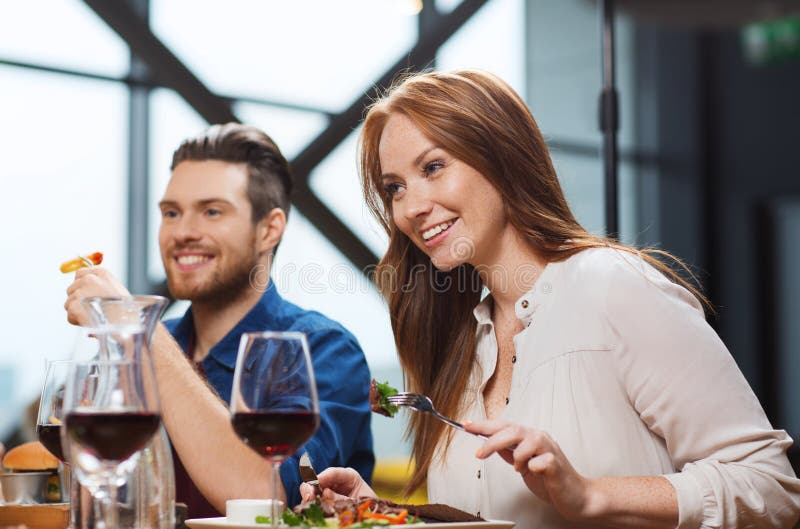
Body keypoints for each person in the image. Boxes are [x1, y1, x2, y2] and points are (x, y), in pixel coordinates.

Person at [300, 70, 800, 528]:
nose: (411, 207)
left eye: (433, 166)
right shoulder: (462, 343)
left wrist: (588, 494)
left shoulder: (613, 286)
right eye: (395, 188)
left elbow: (771, 490)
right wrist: (378, 513)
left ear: (500, 155)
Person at [64, 123, 374, 516]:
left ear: (269, 229)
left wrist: (137, 326)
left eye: (212, 211)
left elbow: (268, 502)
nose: (183, 232)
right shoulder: (144, 345)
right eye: (171, 213)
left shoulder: (323, 349)